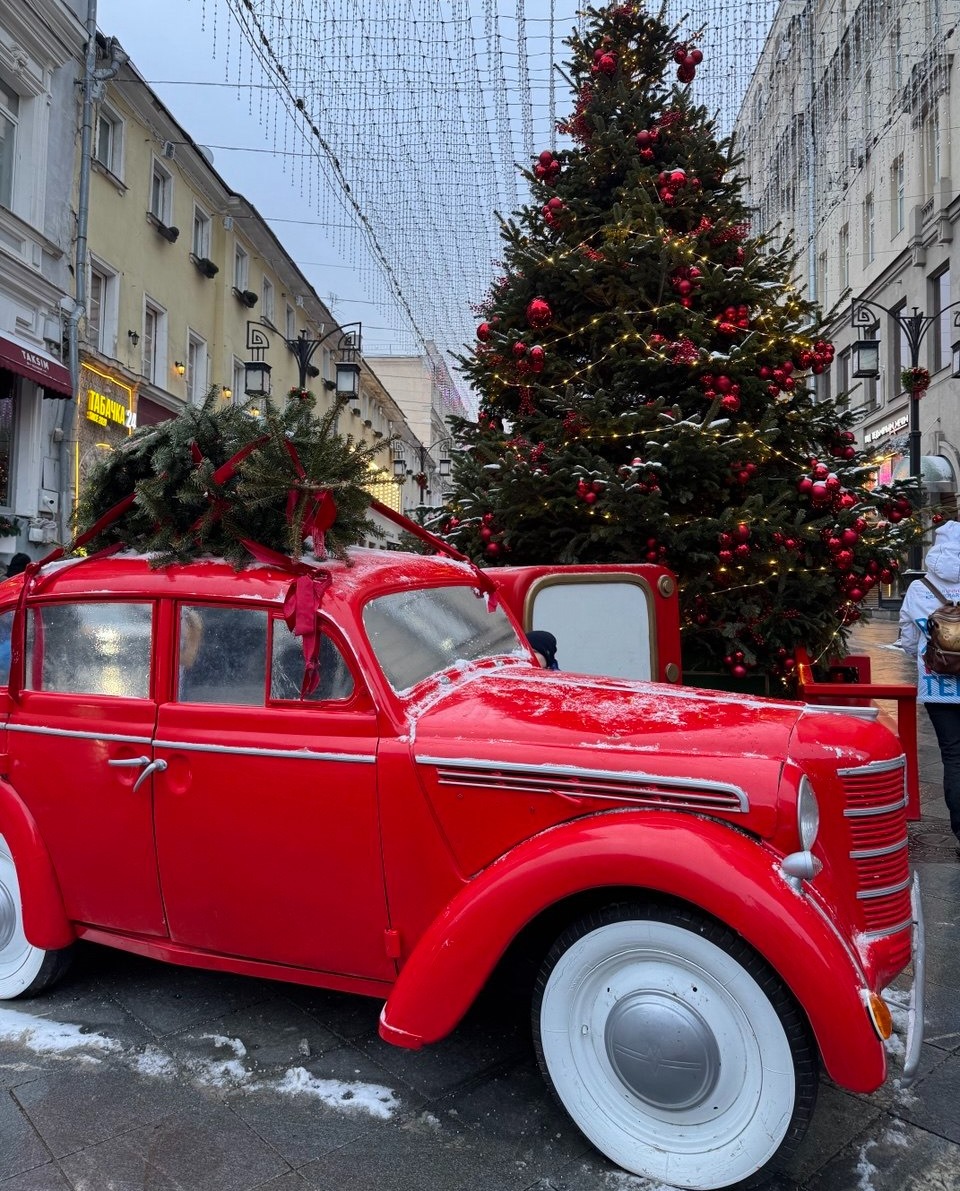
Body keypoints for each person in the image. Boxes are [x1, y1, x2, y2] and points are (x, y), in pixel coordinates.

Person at [899, 518, 960, 859]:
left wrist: (925, 654)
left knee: (953, 757)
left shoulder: (920, 588)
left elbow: (908, 639)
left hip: (938, 689)